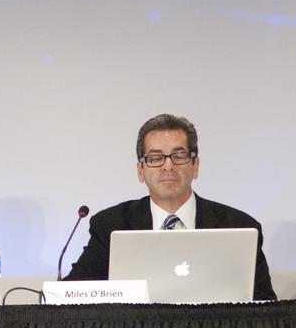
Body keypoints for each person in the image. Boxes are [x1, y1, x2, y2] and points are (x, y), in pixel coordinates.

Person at [64, 113, 276, 300]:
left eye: (178, 156)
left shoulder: (239, 226)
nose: (168, 166)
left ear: (195, 166)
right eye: (155, 158)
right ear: (140, 170)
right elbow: (74, 293)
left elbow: (264, 306)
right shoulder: (111, 225)